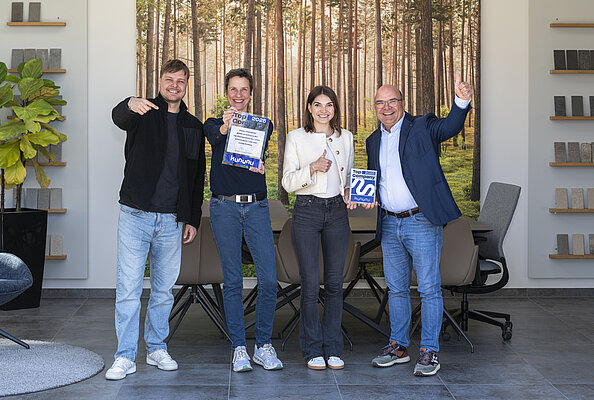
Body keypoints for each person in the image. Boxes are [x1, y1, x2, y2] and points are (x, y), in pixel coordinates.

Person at [366, 74, 473, 377]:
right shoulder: (373, 140)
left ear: (402, 103)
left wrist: (461, 101)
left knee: (428, 289)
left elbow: (450, 126)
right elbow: (377, 179)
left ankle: (429, 351)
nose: (387, 107)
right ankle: (398, 347)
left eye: (392, 101)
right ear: (375, 107)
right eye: (381, 102)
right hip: (389, 223)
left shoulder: (422, 126)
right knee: (397, 289)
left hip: (421, 221)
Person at [106, 59, 206, 380]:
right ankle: (124, 356)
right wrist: (128, 103)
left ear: (186, 85)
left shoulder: (193, 126)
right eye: (169, 79)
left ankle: (156, 348)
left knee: (163, 291)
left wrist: (192, 219)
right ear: (160, 81)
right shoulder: (142, 112)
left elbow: (196, 177)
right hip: (135, 215)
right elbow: (118, 117)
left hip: (172, 221)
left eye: (180, 81)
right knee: (129, 290)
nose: (174, 85)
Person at [203, 68, 283, 372]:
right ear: (226, 93)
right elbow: (216, 137)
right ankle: (238, 347)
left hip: (257, 207)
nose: (238, 95)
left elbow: (254, 153)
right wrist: (226, 126)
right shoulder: (213, 124)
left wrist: (259, 162)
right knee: (233, 281)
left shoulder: (263, 125)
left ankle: (263, 346)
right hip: (224, 208)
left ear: (251, 94)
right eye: (233, 89)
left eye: (244, 90)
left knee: (269, 280)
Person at [282, 86, 354, 370]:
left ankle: (333, 348)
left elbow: (348, 178)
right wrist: (312, 168)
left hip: (337, 212)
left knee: (335, 284)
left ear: (335, 108)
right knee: (310, 285)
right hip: (307, 210)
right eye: (318, 105)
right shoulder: (296, 137)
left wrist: (350, 192)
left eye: (329, 105)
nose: (324, 110)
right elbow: (288, 182)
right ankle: (313, 349)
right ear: (309, 108)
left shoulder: (346, 137)